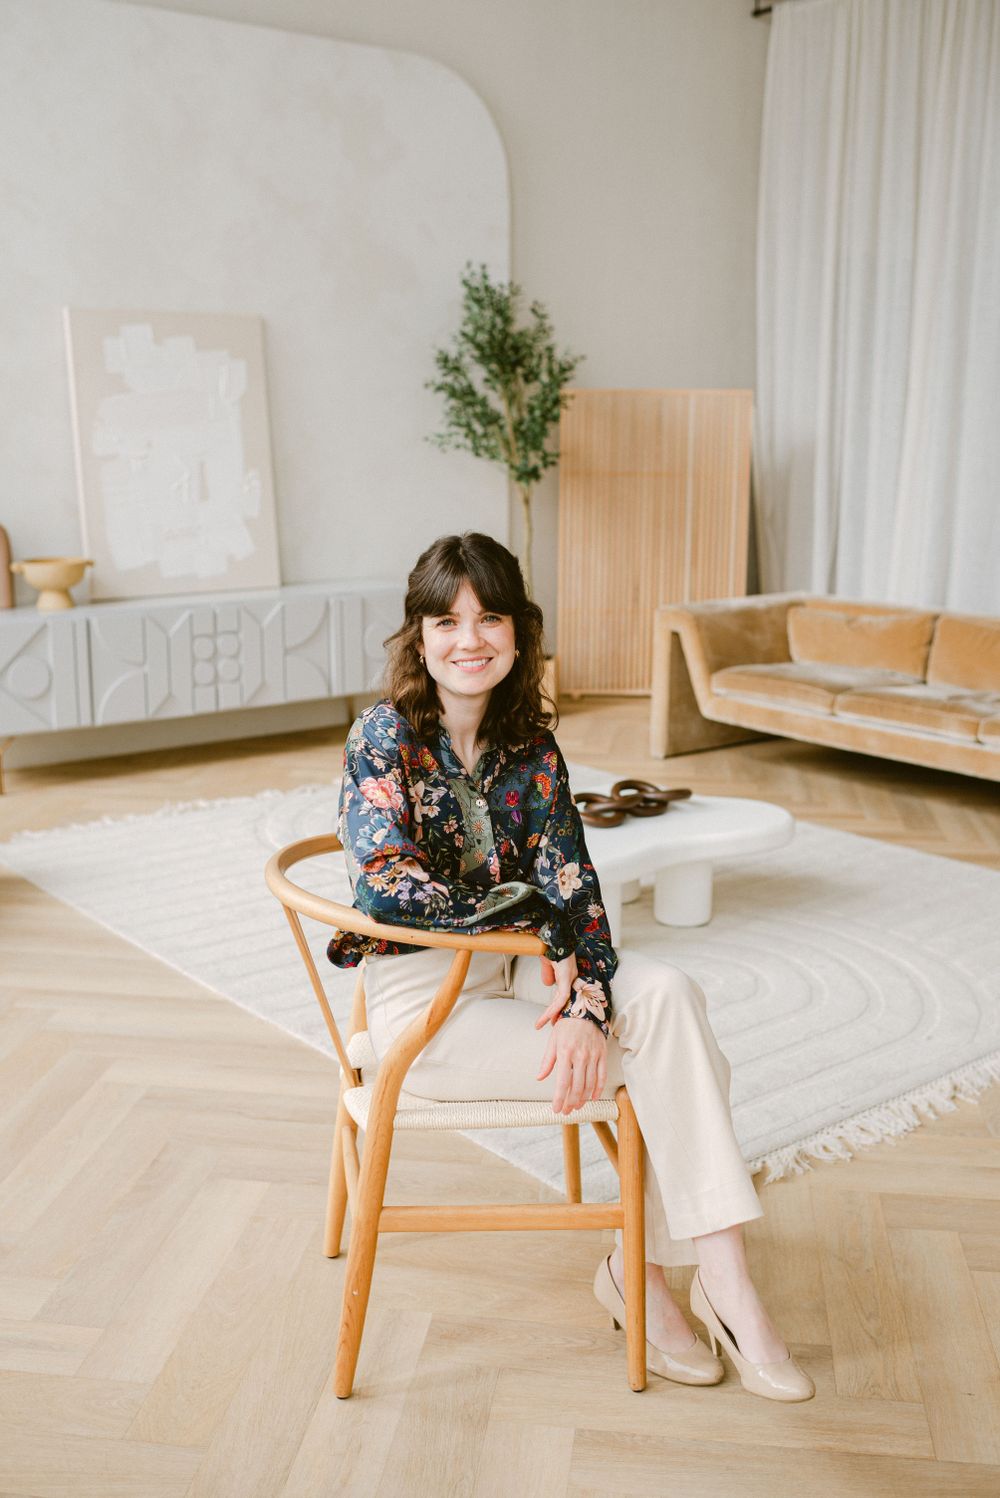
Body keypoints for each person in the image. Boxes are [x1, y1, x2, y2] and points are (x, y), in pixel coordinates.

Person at [328, 532, 813, 1401]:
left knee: (669, 998)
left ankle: (714, 1275)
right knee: (667, 1061)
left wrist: (589, 1005)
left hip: (529, 971)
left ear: (519, 634)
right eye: (447, 622)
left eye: (490, 619)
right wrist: (542, 926)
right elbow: (387, 887)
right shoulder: (382, 738)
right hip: (426, 1006)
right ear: (419, 637)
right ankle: (648, 1276)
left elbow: (576, 893)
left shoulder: (532, 747)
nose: (469, 640)